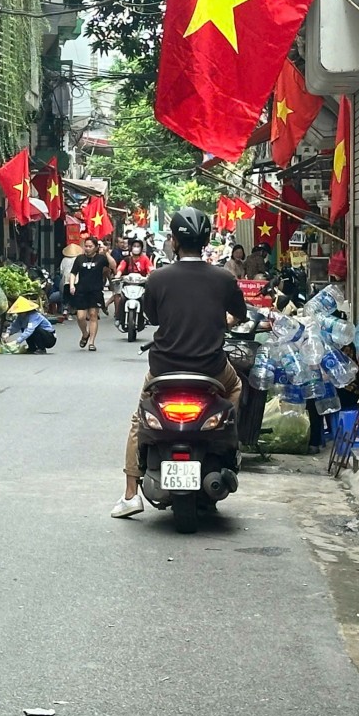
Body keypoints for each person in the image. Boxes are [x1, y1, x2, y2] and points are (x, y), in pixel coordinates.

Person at [110, 207, 248, 518]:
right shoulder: (224, 278)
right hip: (211, 369)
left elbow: (154, 317)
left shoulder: (158, 278)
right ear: (207, 240)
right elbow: (240, 314)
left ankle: (131, 493)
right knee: (236, 387)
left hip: (164, 370)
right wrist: (222, 319)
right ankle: (228, 443)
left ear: (173, 242)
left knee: (139, 420)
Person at [71, 236, 114, 351]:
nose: (88, 248)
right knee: (80, 317)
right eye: (86, 246)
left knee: (93, 315)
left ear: (96, 248)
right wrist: (71, 285)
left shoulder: (101, 259)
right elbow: (73, 273)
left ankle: (91, 342)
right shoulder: (80, 259)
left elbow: (113, 266)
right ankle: (85, 334)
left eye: (90, 246)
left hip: (95, 291)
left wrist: (107, 253)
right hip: (81, 290)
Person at [113, 238, 153, 321]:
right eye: (134, 246)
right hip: (128, 284)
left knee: (147, 297)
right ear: (131, 248)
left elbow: (150, 268)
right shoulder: (127, 259)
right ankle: (119, 316)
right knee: (121, 298)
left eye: (138, 246)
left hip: (141, 284)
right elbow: (120, 268)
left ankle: (148, 315)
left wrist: (150, 275)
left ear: (141, 248)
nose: (136, 248)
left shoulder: (145, 259)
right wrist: (118, 275)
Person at [56, 244, 78, 314]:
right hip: (76, 280)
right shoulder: (77, 259)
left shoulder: (64, 259)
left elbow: (61, 270)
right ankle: (73, 309)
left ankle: (65, 309)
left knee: (66, 295)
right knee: (74, 295)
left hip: (66, 280)